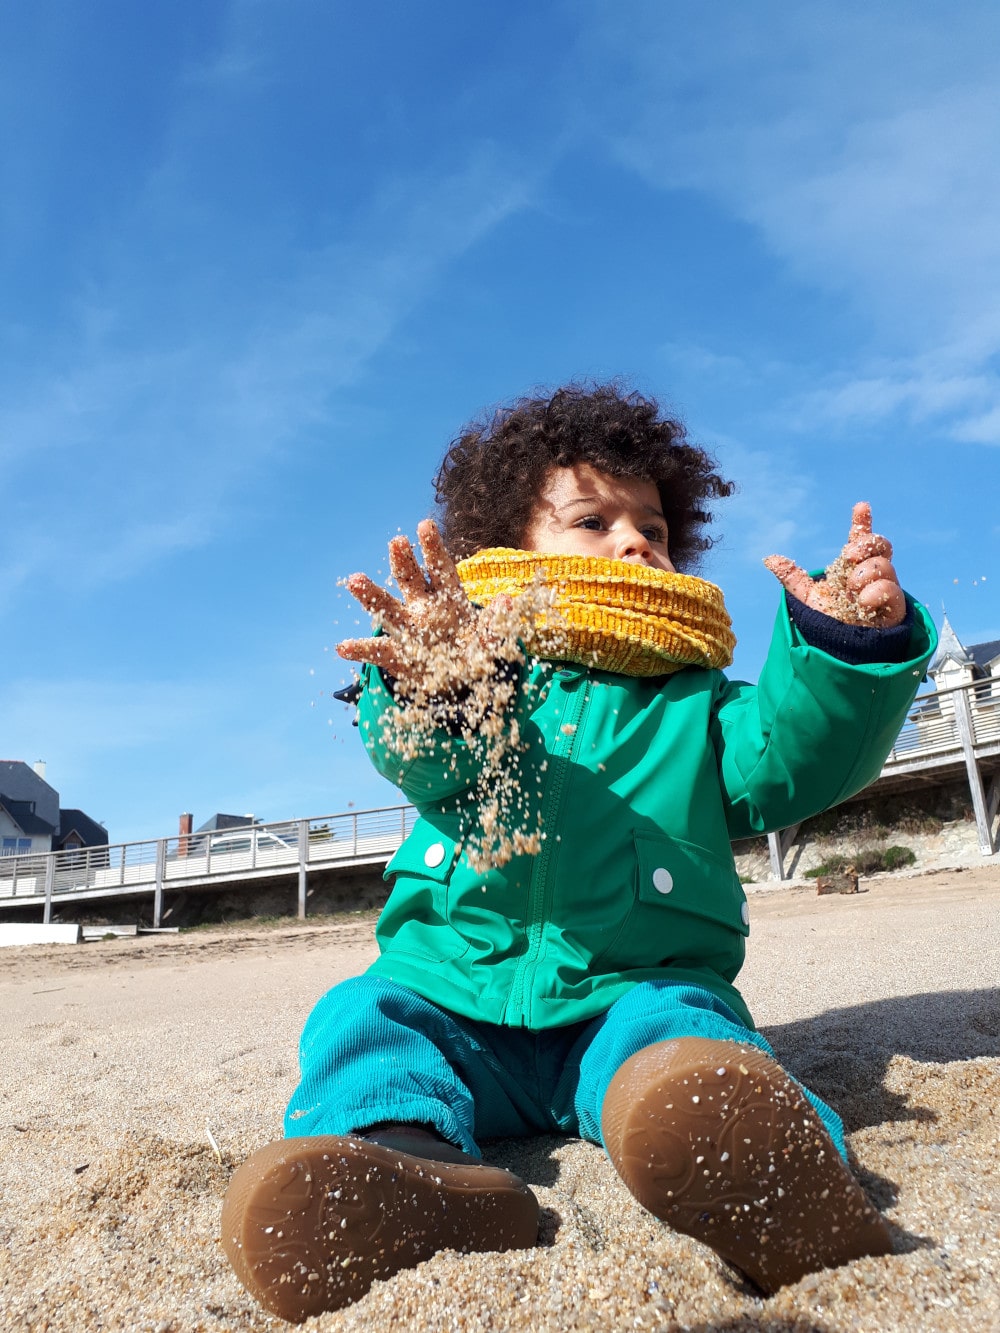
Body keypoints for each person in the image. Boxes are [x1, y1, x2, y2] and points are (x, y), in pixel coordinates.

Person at [221, 383, 936, 1322]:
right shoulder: (483, 677)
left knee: (680, 1039)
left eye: (654, 526)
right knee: (362, 1016)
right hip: (454, 994)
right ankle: (404, 1163)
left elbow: (792, 756)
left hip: (626, 989)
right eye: (592, 520)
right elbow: (421, 754)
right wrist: (439, 678)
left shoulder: (695, 698)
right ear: (508, 553)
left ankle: (752, 1153)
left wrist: (848, 644)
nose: (634, 541)